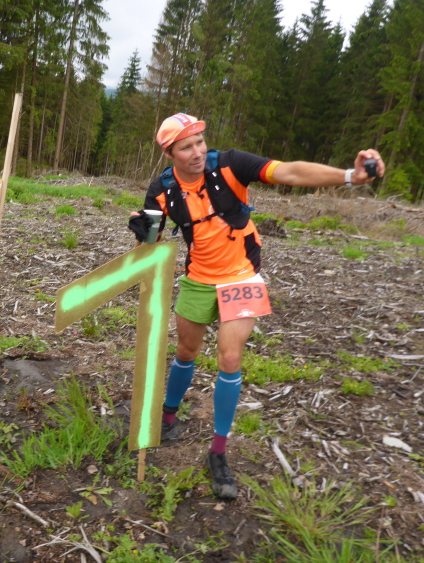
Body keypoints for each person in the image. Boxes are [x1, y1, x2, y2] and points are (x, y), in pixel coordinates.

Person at [131, 113, 385, 500]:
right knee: (185, 351)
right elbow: (148, 247)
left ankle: (218, 452)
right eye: (186, 147)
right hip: (198, 277)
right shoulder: (163, 188)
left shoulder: (230, 164)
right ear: (169, 153)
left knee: (230, 357)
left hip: (242, 276)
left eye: (200, 142)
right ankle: (168, 416)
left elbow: (289, 172)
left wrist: (350, 177)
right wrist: (141, 232)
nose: (197, 152)